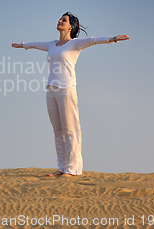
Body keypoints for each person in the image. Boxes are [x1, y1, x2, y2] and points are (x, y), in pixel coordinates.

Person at [12, 12, 129, 178]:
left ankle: (73, 169)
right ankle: (62, 167)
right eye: (60, 19)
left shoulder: (74, 44)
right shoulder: (52, 45)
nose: (60, 21)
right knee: (57, 131)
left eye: (64, 20)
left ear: (71, 27)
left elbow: (93, 40)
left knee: (70, 130)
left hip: (66, 89)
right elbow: (37, 44)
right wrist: (23, 45)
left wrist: (112, 39)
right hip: (51, 89)